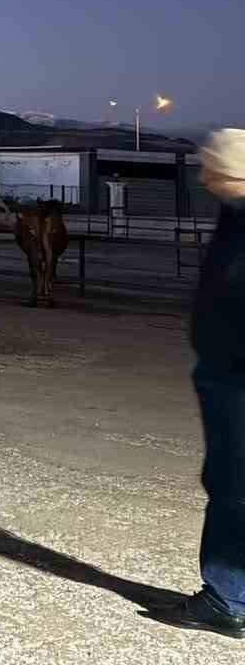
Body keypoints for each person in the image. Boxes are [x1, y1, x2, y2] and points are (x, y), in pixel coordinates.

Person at [158, 128, 245, 638]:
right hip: (224, 371)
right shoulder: (234, 215)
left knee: (234, 484)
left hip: (237, 378)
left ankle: (228, 598)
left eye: (210, 165)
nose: (203, 174)